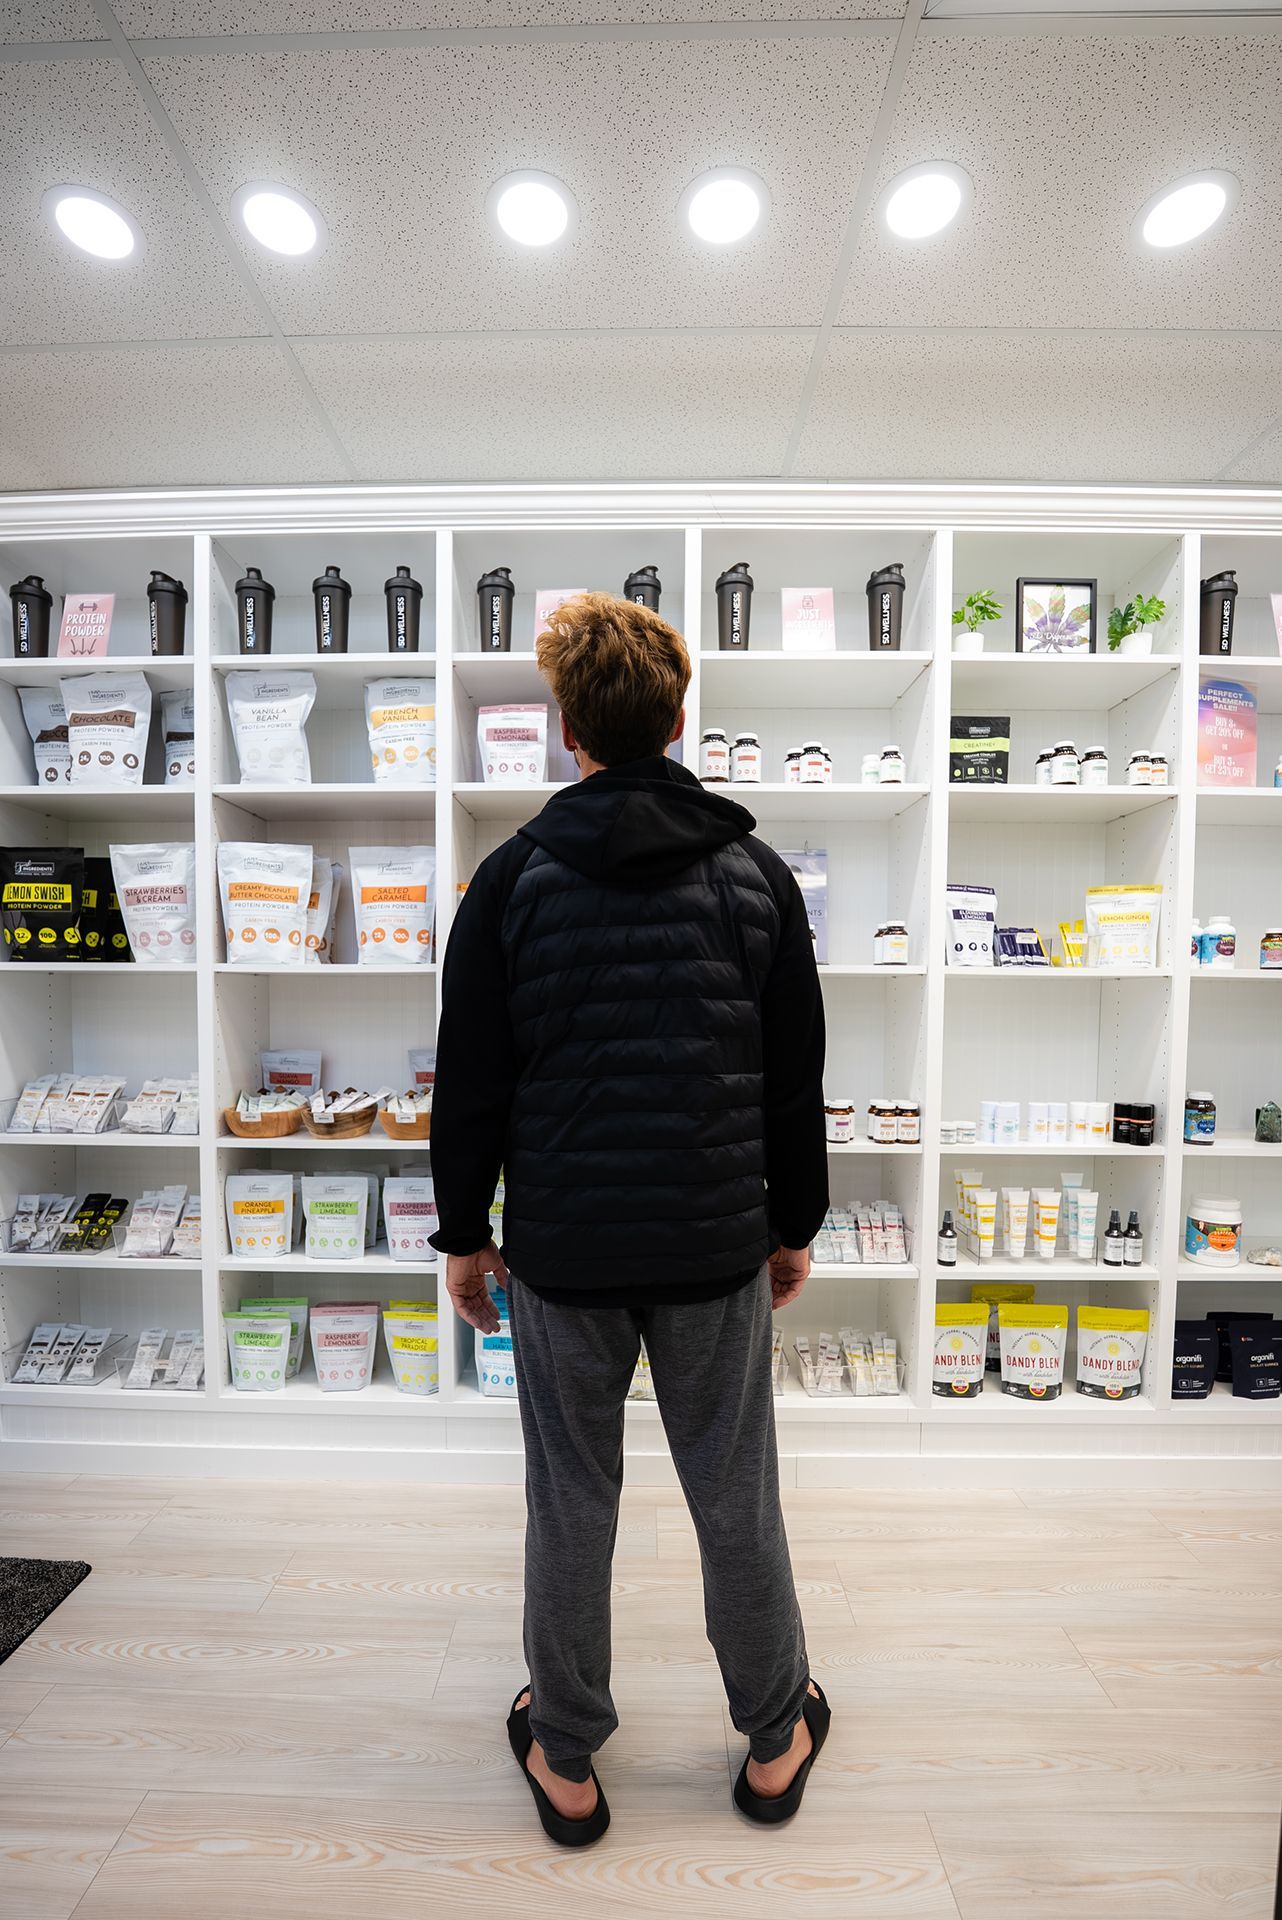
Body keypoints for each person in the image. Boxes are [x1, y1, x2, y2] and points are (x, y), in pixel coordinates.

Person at [430, 591, 830, 1846]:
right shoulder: (756, 875)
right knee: (734, 1497)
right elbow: (791, 1078)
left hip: (565, 1253)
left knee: (570, 1501)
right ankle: (775, 1740)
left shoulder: (508, 882)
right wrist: (794, 1224)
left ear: (568, 730)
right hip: (714, 1249)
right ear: (676, 716)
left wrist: (463, 1234)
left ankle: (564, 1758)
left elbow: (473, 1077)